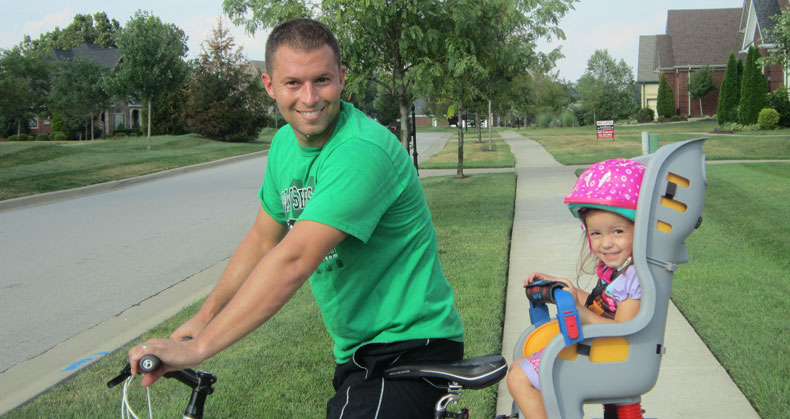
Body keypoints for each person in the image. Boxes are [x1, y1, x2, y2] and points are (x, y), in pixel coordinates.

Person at [128, 18, 464, 418]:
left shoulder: (359, 150)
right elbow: (262, 240)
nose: (309, 97)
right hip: (359, 350)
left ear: (342, 78)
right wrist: (203, 319)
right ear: (270, 86)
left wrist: (198, 349)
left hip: (410, 344)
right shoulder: (285, 144)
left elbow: (294, 259)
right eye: (293, 83)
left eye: (322, 80)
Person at [506, 158, 646, 419]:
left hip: (612, 360)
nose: (606, 243)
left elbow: (626, 331)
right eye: (596, 234)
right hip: (599, 353)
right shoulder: (618, 274)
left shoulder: (634, 279)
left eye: (617, 231)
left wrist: (583, 316)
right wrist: (563, 286)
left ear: (640, 229)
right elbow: (596, 301)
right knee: (518, 367)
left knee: (519, 376)